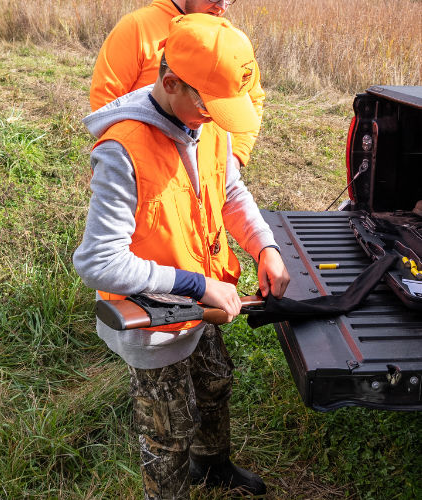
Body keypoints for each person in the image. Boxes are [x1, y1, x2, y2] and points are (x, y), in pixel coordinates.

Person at [74, 13, 290, 498]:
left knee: (214, 386)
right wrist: (197, 285)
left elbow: (231, 191)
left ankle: (212, 466)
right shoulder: (122, 150)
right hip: (153, 317)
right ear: (172, 83)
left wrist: (265, 246)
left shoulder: (208, 121)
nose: (217, 116)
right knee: (168, 430)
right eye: (211, 105)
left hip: (202, 297)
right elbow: (97, 262)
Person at [89, 0, 265, 170]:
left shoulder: (227, 39)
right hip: (147, 173)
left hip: (207, 180)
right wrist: (122, 163)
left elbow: (252, 98)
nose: (222, 6)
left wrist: (236, 155)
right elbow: (106, 101)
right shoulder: (137, 27)